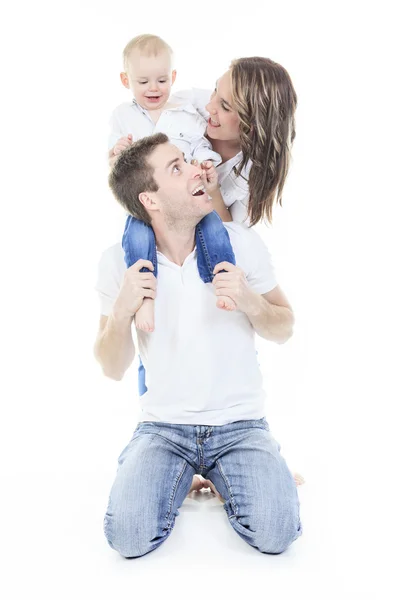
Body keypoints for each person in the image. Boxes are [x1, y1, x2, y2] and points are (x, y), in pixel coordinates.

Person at [95, 133, 302, 558]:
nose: (196, 170)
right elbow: (112, 367)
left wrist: (250, 301)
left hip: (240, 425)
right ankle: (157, 465)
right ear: (149, 200)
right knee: (128, 538)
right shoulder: (119, 262)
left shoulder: (238, 244)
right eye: (176, 167)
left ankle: (250, 465)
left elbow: (284, 328)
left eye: (187, 160)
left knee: (277, 533)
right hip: (163, 429)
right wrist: (120, 313)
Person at [109, 34, 236, 333]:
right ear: (126, 80)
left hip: (185, 201)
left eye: (162, 80)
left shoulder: (184, 113)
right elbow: (116, 165)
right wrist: (116, 153)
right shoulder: (123, 116)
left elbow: (200, 145)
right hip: (147, 200)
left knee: (214, 227)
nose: (154, 88)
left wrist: (205, 162)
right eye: (143, 82)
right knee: (137, 238)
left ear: (173, 78)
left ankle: (222, 281)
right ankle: (145, 298)